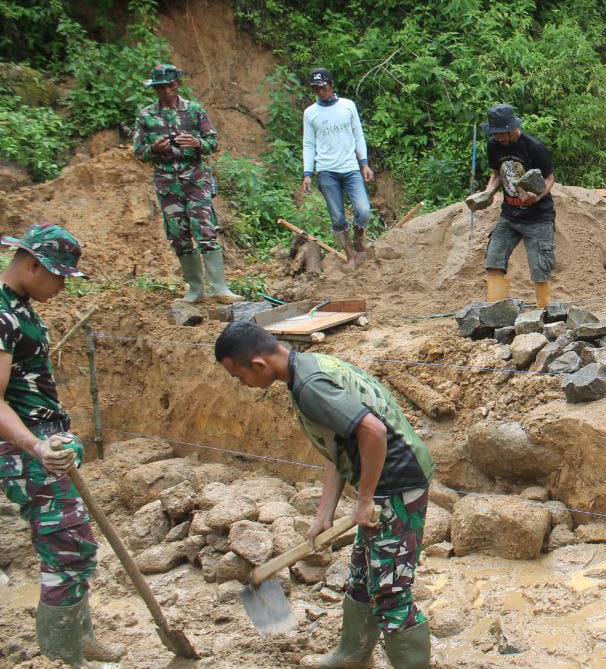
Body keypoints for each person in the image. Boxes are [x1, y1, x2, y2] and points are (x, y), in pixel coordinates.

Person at [214, 321, 434, 667]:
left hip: (398, 485)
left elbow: (373, 432)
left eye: (238, 376)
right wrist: (323, 514)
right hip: (383, 482)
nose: (242, 384)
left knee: (391, 591)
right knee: (363, 574)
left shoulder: (311, 387)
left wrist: (364, 500)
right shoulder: (308, 367)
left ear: (257, 365)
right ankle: (354, 654)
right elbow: (340, 448)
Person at [0, 224, 124, 666]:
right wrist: (35, 447)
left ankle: (79, 637)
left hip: (45, 445)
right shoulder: (1, 314)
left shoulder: (18, 307)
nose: (62, 286)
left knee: (74, 545)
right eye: (59, 277)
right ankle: (61, 655)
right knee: (67, 547)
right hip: (26, 453)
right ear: (34, 265)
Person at [132, 63, 241, 304]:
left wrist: (197, 143)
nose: (166, 90)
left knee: (205, 230)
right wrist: (154, 149)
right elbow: (139, 152)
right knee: (178, 235)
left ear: (177, 84)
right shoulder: (147, 116)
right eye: (160, 87)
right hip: (167, 182)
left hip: (195, 179)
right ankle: (195, 288)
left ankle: (219, 287)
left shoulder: (194, 111)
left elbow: (213, 142)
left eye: (170, 85)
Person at [480, 103, 556, 308]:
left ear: (513, 127)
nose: (500, 138)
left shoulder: (534, 147)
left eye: (503, 133)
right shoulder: (493, 145)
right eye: (496, 133)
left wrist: (537, 196)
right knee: (493, 261)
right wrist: (488, 193)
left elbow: (549, 178)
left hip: (538, 217)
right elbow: (497, 173)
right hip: (509, 215)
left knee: (540, 269)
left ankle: (545, 312)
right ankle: (496, 311)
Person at [302, 67, 374, 263]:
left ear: (331, 85)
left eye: (323, 87)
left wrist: (364, 163)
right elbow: (308, 144)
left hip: (350, 167)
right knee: (337, 218)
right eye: (316, 89)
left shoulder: (348, 106)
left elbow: (358, 135)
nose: (320, 92)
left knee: (364, 211)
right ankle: (350, 256)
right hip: (326, 171)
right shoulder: (310, 113)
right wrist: (307, 173)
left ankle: (359, 238)